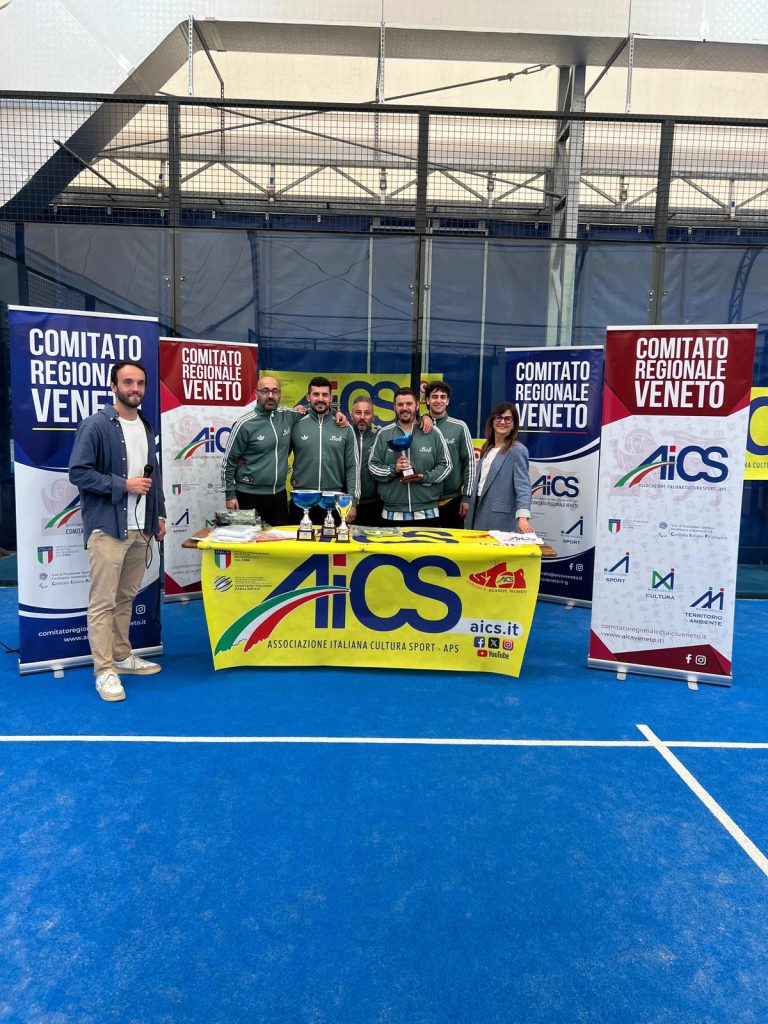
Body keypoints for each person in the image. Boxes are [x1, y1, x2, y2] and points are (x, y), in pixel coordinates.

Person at [69, 360, 166, 702]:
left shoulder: (146, 425)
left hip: (142, 528)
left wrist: (160, 514)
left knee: (125, 598)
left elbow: (154, 477)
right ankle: (104, 670)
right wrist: (123, 484)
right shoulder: (95, 425)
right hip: (108, 528)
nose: (135, 388)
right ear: (113, 386)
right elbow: (78, 473)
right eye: (127, 382)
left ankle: (122, 656)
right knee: (103, 602)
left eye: (140, 383)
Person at [222, 374, 347, 526]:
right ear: (256, 394)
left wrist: (335, 413)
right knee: (249, 539)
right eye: (265, 391)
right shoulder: (244, 424)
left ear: (280, 394)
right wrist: (230, 495)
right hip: (248, 495)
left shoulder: (288, 416)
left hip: (278, 496)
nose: (270, 395)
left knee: (281, 539)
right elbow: (228, 463)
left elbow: (318, 407)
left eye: (275, 391)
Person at [368, 387, 451, 524]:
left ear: (417, 405)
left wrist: (424, 477)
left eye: (409, 404)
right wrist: (393, 469)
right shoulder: (384, 434)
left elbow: (446, 465)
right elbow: (372, 466)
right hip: (392, 512)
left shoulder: (433, 433)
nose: (404, 408)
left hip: (427, 512)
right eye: (400, 404)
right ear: (394, 407)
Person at [290, 376, 359, 524]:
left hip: (333, 500)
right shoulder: (295, 423)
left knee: (334, 540)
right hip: (302, 499)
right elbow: (279, 454)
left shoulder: (344, 427)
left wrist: (352, 502)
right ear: (308, 397)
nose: (320, 399)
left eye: (325, 395)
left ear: (331, 398)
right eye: (316, 394)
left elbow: (352, 468)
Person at [464, 401, 534, 534]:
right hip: (477, 509)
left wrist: (523, 517)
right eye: (499, 417)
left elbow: (523, 487)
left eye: (508, 419)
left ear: (513, 425)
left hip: (500, 519)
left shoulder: (517, 450)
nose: (502, 422)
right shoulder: (487, 448)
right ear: (492, 421)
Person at [423, 380, 475, 528]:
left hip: (452, 501)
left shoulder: (459, 427)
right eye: (434, 397)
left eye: (443, 397)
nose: (438, 400)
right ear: (427, 400)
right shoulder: (418, 426)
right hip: (424, 501)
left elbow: (469, 463)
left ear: (448, 401)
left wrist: (467, 497)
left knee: (451, 542)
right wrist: (423, 417)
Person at [350, 395, 382, 526]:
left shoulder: (381, 435)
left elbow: (406, 421)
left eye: (367, 413)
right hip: (346, 504)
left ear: (373, 416)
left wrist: (425, 417)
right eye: (358, 412)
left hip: (375, 504)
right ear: (351, 415)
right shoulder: (345, 434)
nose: (362, 417)